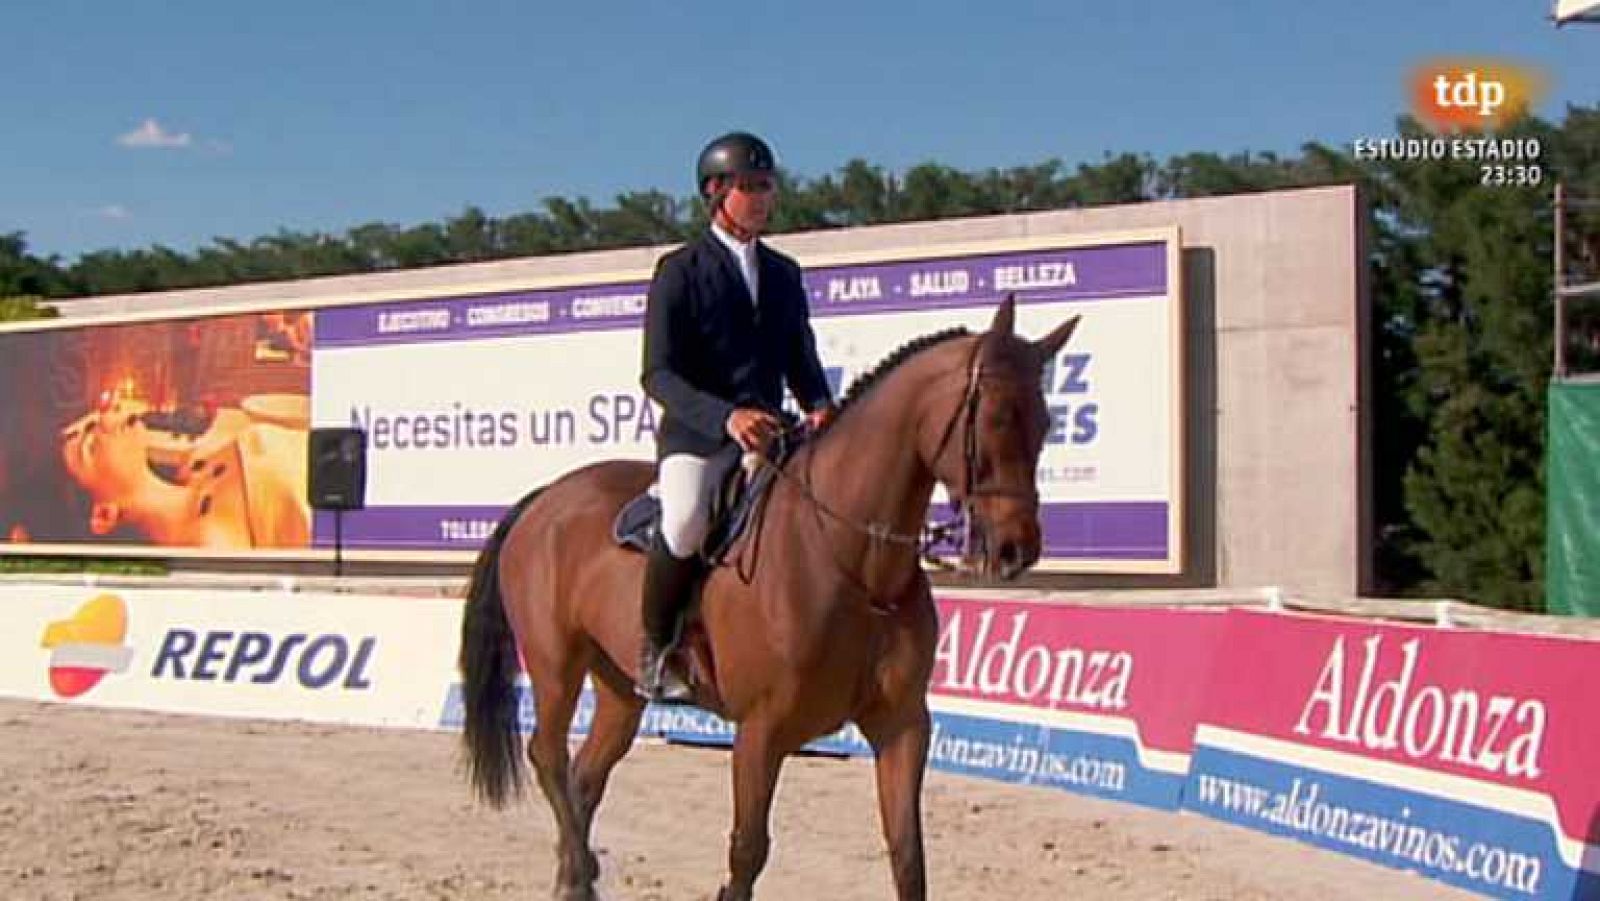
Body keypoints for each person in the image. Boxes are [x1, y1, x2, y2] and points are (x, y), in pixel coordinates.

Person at [637, 131, 836, 700]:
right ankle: (658, 648)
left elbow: (799, 354)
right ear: (715, 192)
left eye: (767, 186)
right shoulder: (679, 269)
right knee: (684, 520)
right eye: (750, 187)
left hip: (771, 433)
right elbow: (659, 374)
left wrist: (819, 404)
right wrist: (725, 417)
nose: (763, 198)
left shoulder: (784, 272)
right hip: (698, 435)